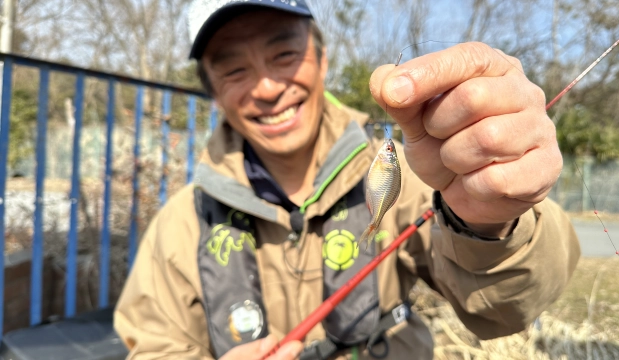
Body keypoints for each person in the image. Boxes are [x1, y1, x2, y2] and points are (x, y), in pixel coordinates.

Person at [114, 1, 581, 359]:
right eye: (234, 69)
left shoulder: (416, 180)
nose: (268, 87)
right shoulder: (180, 223)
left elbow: (504, 310)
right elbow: (154, 344)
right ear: (212, 91)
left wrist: (493, 220)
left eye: (284, 54)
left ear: (321, 57)